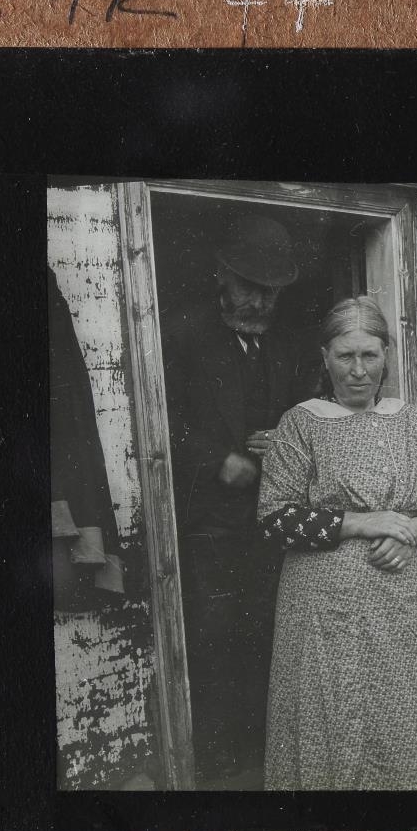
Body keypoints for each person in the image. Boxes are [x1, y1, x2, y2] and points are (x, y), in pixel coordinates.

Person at [257, 296, 417, 790]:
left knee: (412, 723)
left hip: (409, 610)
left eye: (370, 355)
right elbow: (275, 518)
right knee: (338, 720)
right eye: (345, 356)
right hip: (327, 618)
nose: (358, 370)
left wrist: (413, 531)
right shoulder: (301, 423)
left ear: (386, 356)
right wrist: (364, 522)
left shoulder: (411, 422)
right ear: (325, 358)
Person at [161, 213, 304, 786]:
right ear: (221, 273)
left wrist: (284, 439)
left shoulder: (288, 345)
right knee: (213, 637)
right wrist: (217, 459)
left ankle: (259, 754)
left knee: (265, 633)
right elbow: (158, 418)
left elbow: (308, 417)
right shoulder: (181, 334)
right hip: (207, 524)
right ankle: (216, 764)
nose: (260, 302)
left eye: (271, 291)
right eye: (249, 286)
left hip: (270, 523)